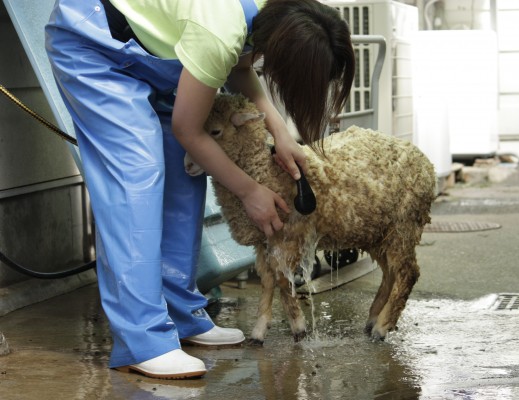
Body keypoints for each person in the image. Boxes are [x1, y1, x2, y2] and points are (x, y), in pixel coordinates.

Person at [45, 0, 355, 379]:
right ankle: (143, 340)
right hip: (93, 45)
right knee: (137, 175)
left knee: (184, 173)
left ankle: (181, 314)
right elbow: (188, 129)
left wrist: (280, 131)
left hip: (150, 57)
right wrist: (250, 191)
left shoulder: (268, 15)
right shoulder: (221, 26)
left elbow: (239, 66)